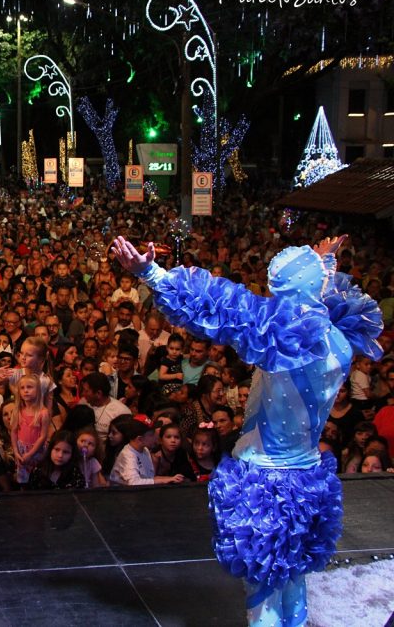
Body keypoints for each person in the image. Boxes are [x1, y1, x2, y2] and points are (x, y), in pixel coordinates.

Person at [113, 233, 383, 627]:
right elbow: (314, 297)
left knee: (263, 589)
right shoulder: (340, 337)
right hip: (308, 477)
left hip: (265, 480)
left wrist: (149, 272)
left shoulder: (281, 339)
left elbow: (218, 307)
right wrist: (323, 262)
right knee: (292, 576)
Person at [110, 417, 185, 486]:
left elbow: (149, 478)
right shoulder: (127, 456)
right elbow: (133, 483)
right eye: (151, 435)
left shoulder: (145, 450)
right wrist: (165, 480)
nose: (155, 437)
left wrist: (171, 478)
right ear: (140, 439)